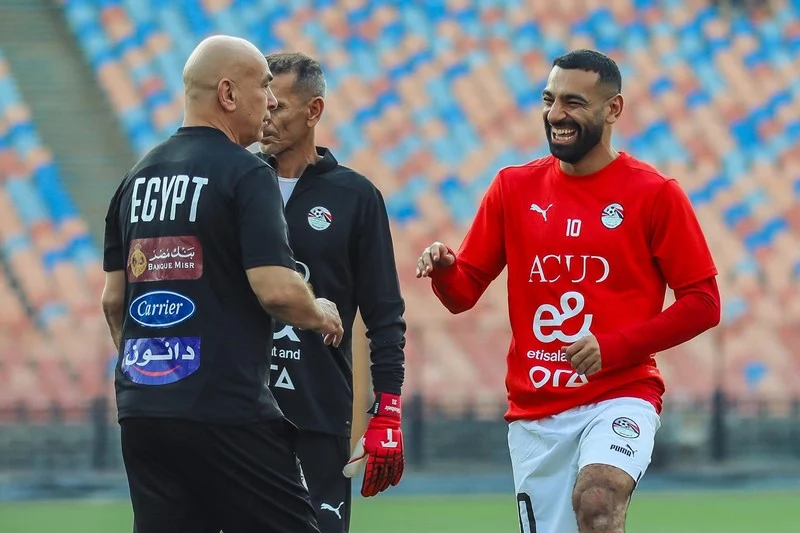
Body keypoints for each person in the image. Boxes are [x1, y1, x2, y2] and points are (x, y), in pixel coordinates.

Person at [416, 49, 721, 533]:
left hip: (621, 393)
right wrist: (445, 270)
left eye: (574, 102)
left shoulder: (654, 193)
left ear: (613, 109)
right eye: (549, 100)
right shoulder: (512, 187)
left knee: (598, 500)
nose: (556, 114)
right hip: (536, 409)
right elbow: (463, 294)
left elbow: (703, 304)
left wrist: (613, 348)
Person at [101, 35, 344, 533]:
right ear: (229, 94)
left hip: (143, 412)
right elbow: (276, 290)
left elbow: (113, 301)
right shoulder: (246, 173)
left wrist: (151, 381)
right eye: (263, 86)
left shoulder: (135, 178)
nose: (271, 101)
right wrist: (320, 312)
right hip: (226, 409)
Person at [256, 52, 406, 533]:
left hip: (318, 414)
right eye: (262, 103)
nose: (265, 116)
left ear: (314, 111)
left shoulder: (355, 196)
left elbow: (385, 315)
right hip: (241, 411)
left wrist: (387, 411)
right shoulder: (235, 182)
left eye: (278, 106)